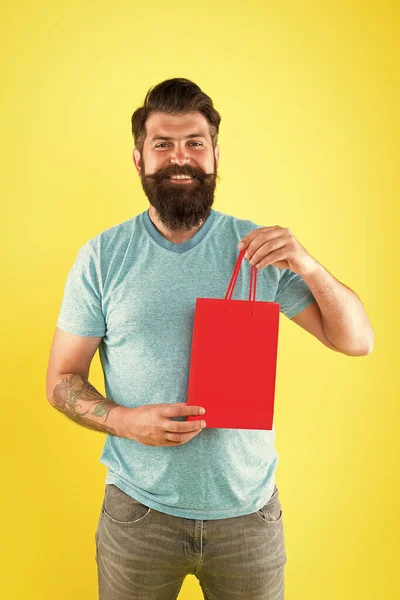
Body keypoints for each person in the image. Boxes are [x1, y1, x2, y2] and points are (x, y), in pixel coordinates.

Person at [46, 77, 374, 600]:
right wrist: (127, 422)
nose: (181, 158)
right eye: (163, 144)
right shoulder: (103, 257)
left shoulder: (258, 251)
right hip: (138, 515)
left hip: (249, 518)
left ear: (216, 155)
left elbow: (358, 340)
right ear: (139, 160)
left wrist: (309, 266)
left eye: (195, 143)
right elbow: (62, 379)